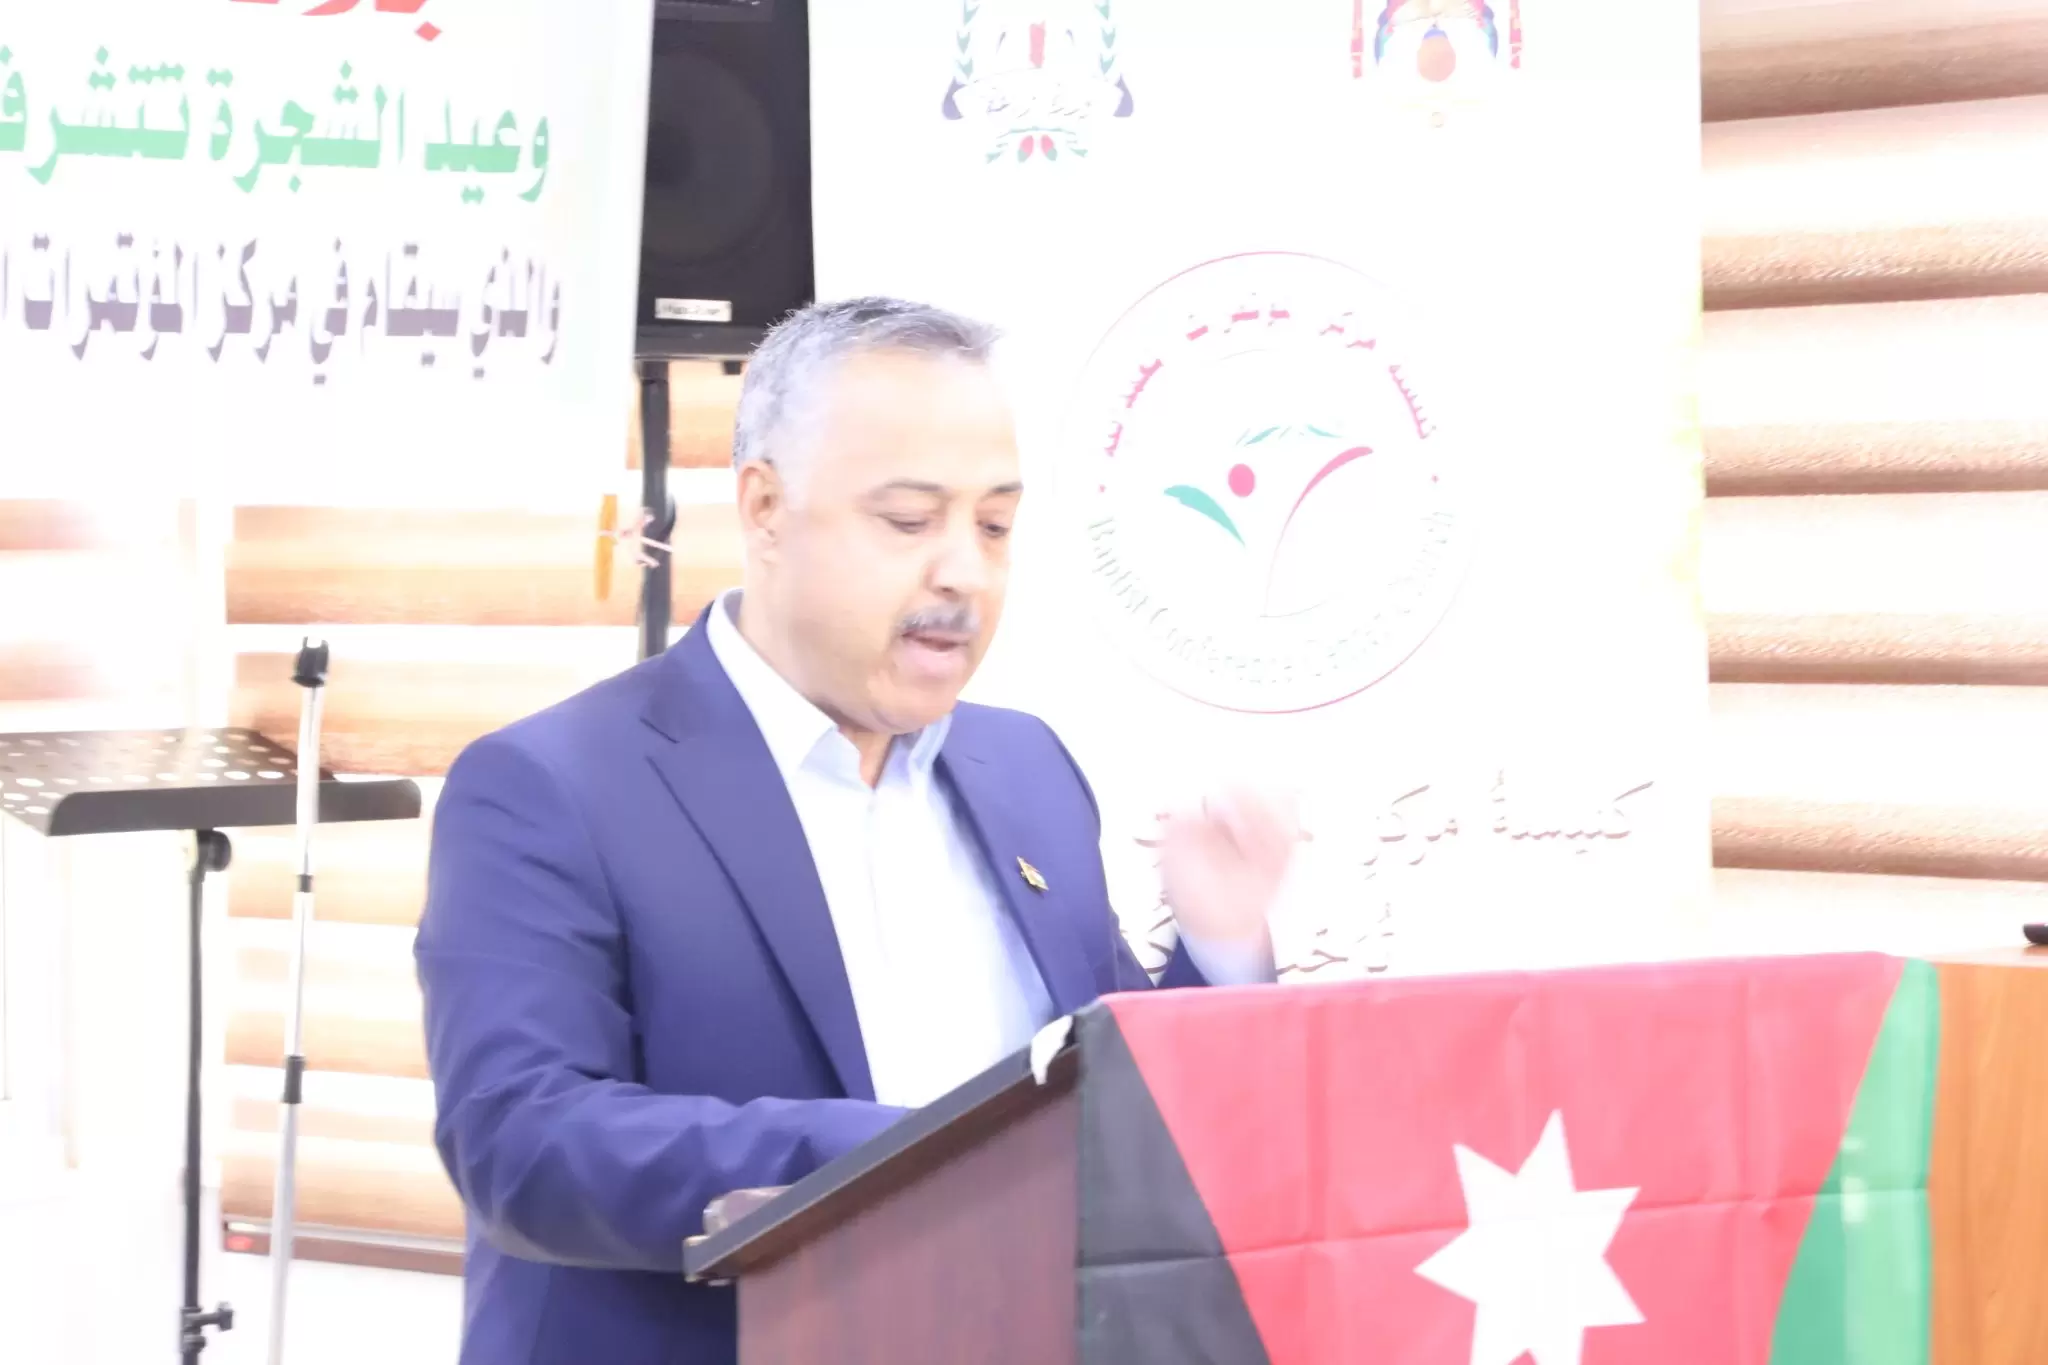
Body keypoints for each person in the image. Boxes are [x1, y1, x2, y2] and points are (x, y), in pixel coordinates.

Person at [415, 297, 1299, 1365]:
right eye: (909, 520)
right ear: (765, 508)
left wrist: (1217, 943)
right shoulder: (551, 784)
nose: (963, 573)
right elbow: (522, 1142)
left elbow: (1114, 1103)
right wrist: (917, 1157)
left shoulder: (1027, 767)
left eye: (994, 525)